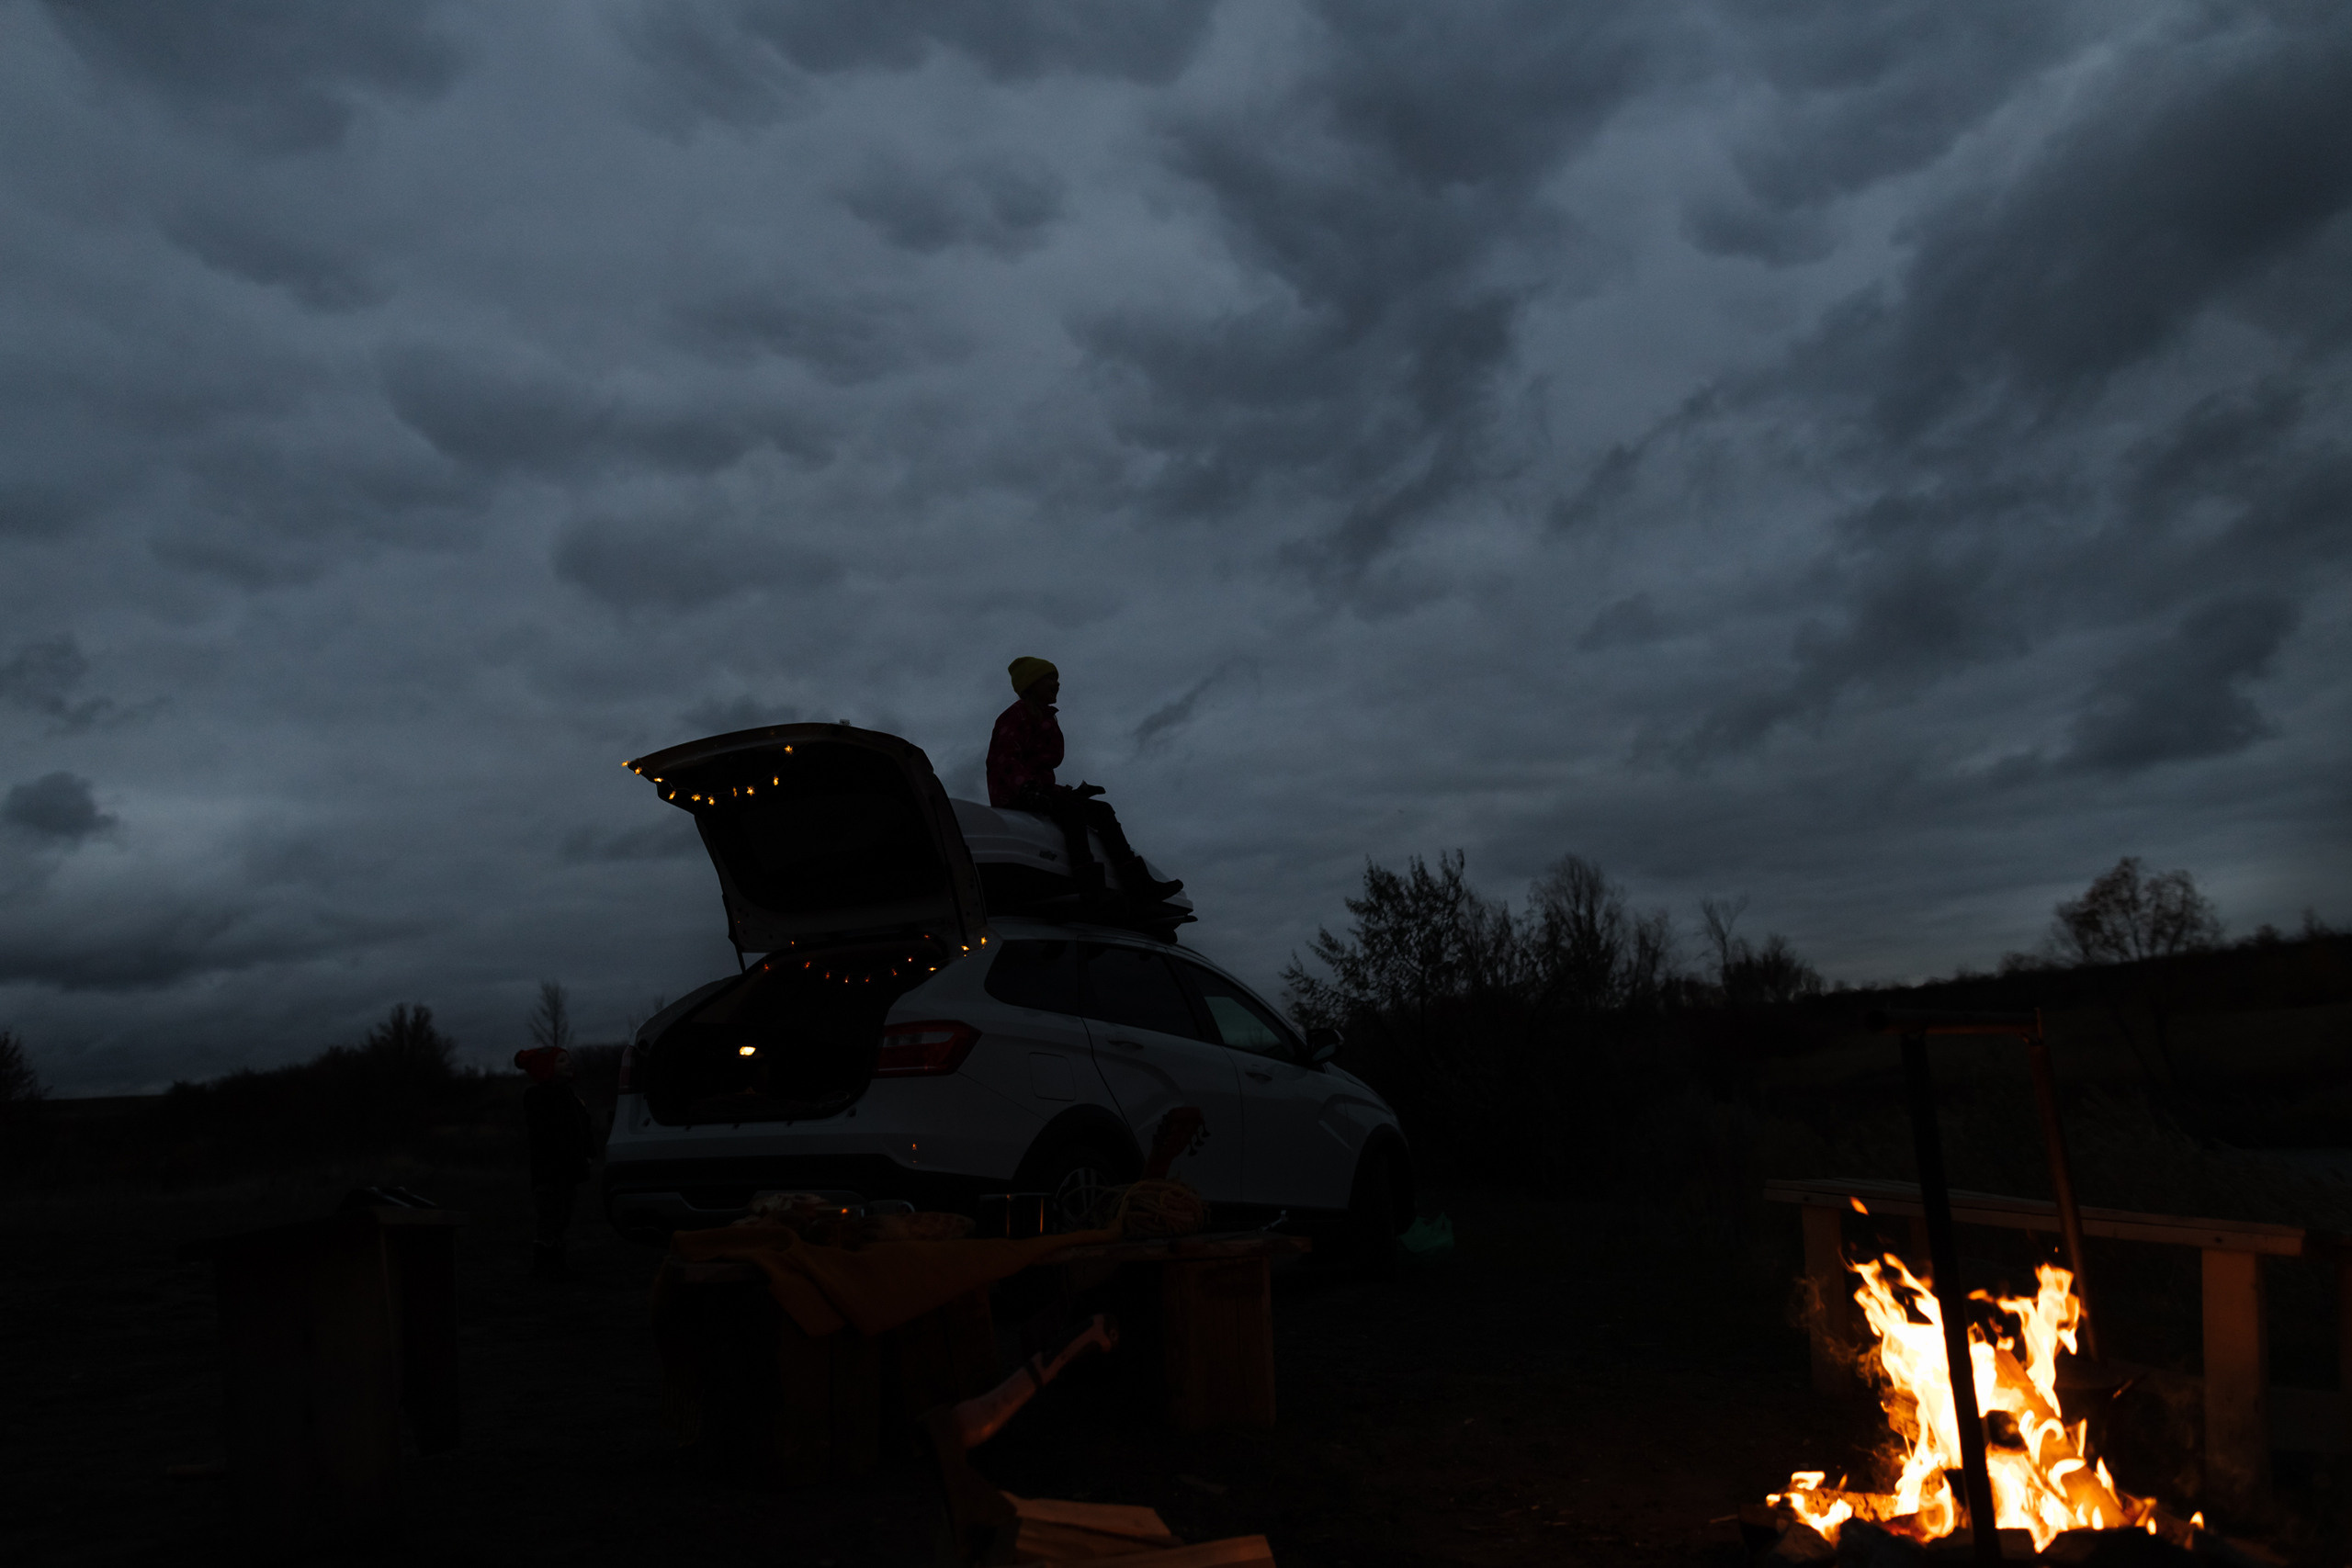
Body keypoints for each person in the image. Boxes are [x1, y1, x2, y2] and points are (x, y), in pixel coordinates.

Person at [987, 657, 1183, 905]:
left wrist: (1071, 793)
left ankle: (1139, 884)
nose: (1057, 684)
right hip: (1013, 795)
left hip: (1038, 790)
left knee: (1102, 811)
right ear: (1031, 683)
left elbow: (1039, 772)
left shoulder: (1046, 717)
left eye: (1057, 678)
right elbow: (1005, 759)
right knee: (1072, 812)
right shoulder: (1015, 716)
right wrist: (1026, 789)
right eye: (1050, 678)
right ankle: (1089, 886)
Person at [514, 1045, 594, 1280]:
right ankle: (543, 1267)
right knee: (550, 1217)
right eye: (560, 1061)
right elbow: (550, 1134)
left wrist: (587, 1153)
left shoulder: (570, 1095)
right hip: (549, 1171)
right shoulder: (537, 1097)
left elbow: (582, 1129)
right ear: (546, 1068)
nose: (568, 1063)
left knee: (563, 1217)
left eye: (568, 1059)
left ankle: (557, 1265)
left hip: (569, 1170)